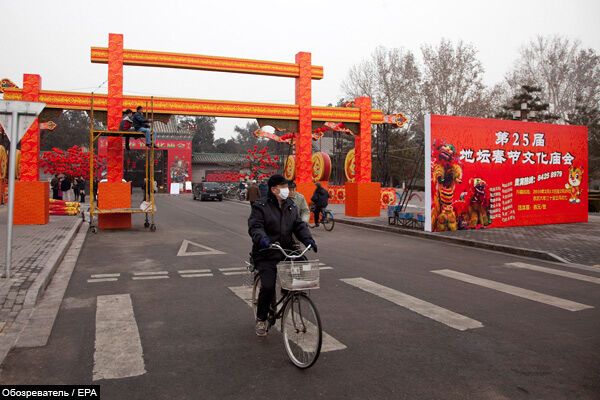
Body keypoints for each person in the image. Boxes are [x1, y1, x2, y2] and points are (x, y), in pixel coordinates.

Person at [248, 174, 317, 337]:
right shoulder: (260, 206)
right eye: (283, 187)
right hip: (266, 252)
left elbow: (299, 226)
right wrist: (263, 239)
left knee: (300, 276)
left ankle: (288, 297)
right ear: (274, 189)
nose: (287, 190)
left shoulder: (291, 206)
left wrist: (308, 239)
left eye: (287, 187)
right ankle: (261, 318)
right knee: (268, 286)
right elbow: (255, 227)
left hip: (286, 251)